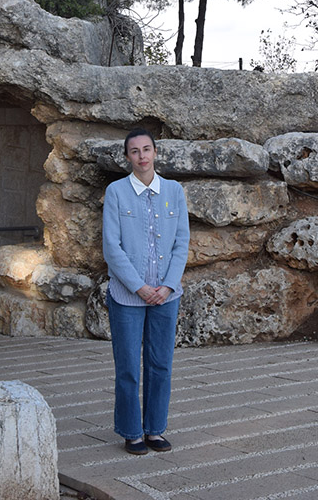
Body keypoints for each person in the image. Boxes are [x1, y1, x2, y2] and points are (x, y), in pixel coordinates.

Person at [101, 128, 191, 455]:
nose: (142, 156)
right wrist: (140, 287)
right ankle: (131, 431)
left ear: (155, 152)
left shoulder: (174, 190)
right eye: (135, 151)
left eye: (147, 149)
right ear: (127, 157)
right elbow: (112, 247)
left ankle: (155, 429)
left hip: (167, 296)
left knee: (161, 364)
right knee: (128, 366)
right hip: (127, 297)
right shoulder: (116, 193)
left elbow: (182, 242)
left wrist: (166, 286)